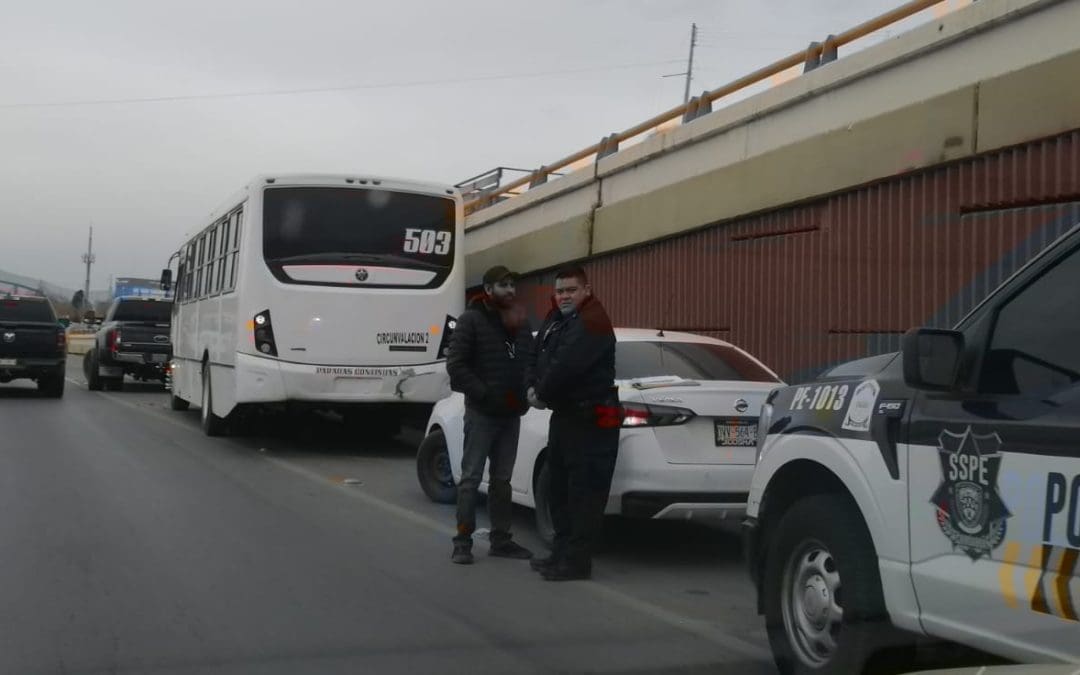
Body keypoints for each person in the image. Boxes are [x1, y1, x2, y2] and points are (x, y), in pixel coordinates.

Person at [526, 265, 619, 581]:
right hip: (565, 416)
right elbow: (536, 355)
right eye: (560, 291)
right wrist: (531, 385)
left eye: (571, 290)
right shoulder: (557, 319)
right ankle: (560, 553)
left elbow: (566, 365)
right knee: (559, 489)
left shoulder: (593, 322)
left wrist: (541, 393)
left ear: (586, 290)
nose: (564, 296)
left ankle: (577, 562)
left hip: (591, 419)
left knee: (583, 495)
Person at [446, 265, 535, 565]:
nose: (510, 290)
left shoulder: (520, 322)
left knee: (502, 480)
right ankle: (462, 542)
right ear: (487, 290)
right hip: (482, 414)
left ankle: (501, 540)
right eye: (503, 285)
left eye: (512, 285)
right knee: (470, 478)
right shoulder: (471, 320)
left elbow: (529, 362)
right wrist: (483, 394)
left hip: (511, 415)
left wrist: (527, 392)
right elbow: (456, 366)